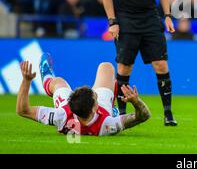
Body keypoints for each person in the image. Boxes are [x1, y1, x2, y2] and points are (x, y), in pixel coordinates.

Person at [101, 0, 177, 126]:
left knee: (161, 64)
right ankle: (122, 112)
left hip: (150, 19)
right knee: (125, 68)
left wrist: (168, 15)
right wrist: (112, 21)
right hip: (126, 21)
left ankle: (168, 113)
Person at [16, 53, 150, 136]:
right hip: (105, 109)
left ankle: (47, 76)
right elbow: (144, 116)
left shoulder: (60, 115)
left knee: (58, 82)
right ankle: (112, 109)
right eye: (94, 97)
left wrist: (26, 81)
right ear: (94, 108)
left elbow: (23, 110)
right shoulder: (108, 125)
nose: (95, 94)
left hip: (69, 112)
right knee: (106, 67)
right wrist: (135, 102)